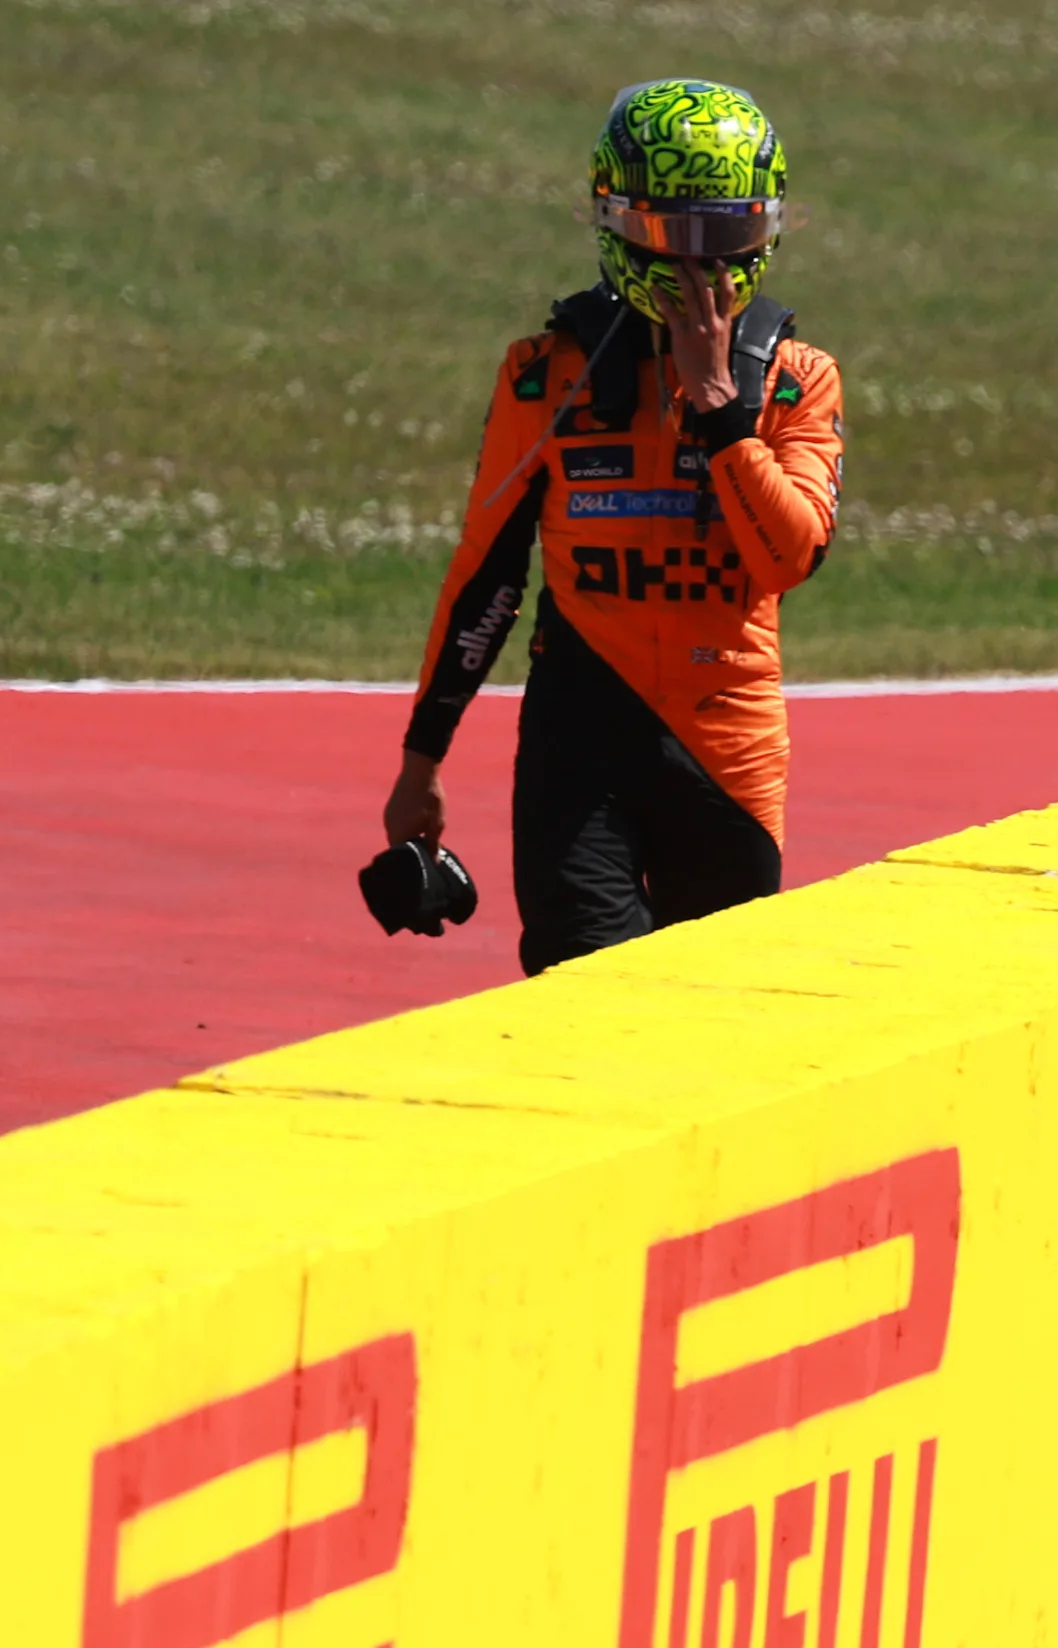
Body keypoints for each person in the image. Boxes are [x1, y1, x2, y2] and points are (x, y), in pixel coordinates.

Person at [383, 77, 845, 975]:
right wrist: (421, 759)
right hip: (579, 746)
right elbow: (488, 574)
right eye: (677, 236)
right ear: (618, 222)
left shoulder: (798, 381)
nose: (703, 267)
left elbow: (789, 557)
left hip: (728, 752)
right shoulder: (542, 376)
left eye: (727, 237)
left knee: (717, 1015)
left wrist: (722, 412)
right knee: (581, 995)